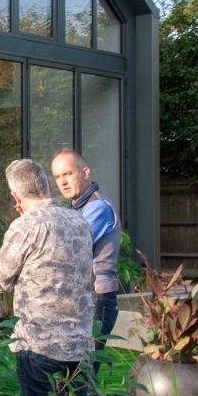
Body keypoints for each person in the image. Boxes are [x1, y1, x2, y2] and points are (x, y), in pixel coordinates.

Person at [0, 159, 95, 396]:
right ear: (47, 185)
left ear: (16, 197)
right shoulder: (79, 221)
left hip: (40, 343)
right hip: (79, 343)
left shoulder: (26, 226)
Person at [51, 148, 121, 369]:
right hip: (81, 300)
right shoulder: (75, 209)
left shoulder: (97, 207)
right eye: (57, 176)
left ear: (85, 172)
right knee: (72, 376)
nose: (62, 182)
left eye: (68, 174)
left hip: (97, 301)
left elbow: (68, 249)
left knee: (85, 378)